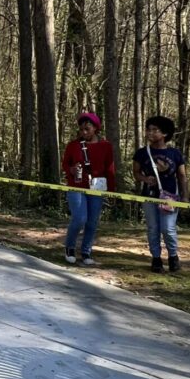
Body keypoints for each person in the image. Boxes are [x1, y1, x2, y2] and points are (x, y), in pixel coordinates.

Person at [133, 116, 189, 273]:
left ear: (164, 133)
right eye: (148, 129)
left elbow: (182, 176)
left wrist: (185, 197)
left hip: (170, 197)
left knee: (168, 228)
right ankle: (156, 259)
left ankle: (173, 257)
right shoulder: (142, 153)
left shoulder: (175, 154)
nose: (150, 133)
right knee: (153, 228)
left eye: (154, 130)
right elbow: (136, 173)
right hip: (149, 195)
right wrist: (145, 178)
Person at [61, 111, 116, 266]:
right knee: (80, 218)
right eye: (82, 129)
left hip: (97, 188)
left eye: (88, 129)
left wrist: (111, 190)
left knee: (92, 222)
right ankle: (69, 247)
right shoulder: (73, 145)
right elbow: (65, 164)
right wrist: (71, 169)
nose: (84, 132)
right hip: (76, 186)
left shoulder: (105, 146)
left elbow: (110, 168)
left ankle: (86, 251)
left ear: (95, 128)